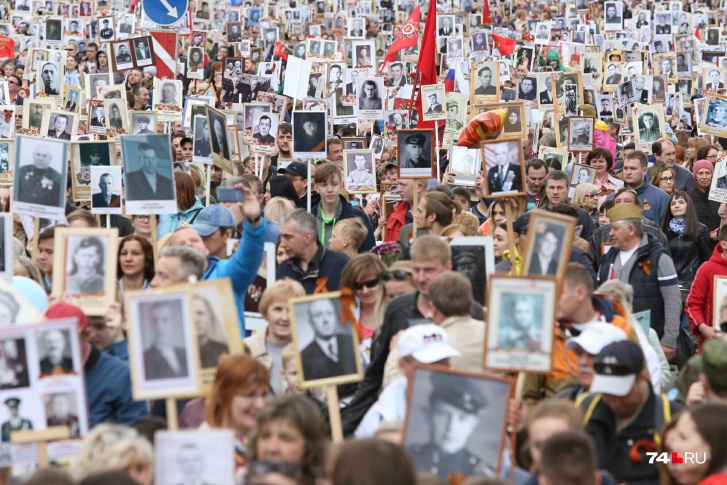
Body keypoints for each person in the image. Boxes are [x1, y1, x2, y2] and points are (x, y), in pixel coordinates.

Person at [579, 341, 682, 485]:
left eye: (620, 390)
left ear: (642, 377)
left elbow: (694, 461)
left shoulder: (673, 418)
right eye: (606, 390)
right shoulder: (583, 409)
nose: (613, 399)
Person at [597, 204, 680, 361]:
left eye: (614, 228)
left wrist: (669, 340)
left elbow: (672, 301)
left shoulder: (659, 259)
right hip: (613, 339)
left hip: (648, 339)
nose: (610, 233)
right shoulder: (607, 259)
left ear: (630, 229)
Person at [408, 371, 488, 479]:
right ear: (428, 415)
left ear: (473, 424)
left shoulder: (482, 474)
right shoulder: (407, 458)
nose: (451, 427)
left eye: (462, 418)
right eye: (443, 414)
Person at [142, 302, 188, 379]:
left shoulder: (184, 353)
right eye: (155, 321)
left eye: (165, 320)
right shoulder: (145, 358)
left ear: (172, 323)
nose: (159, 326)